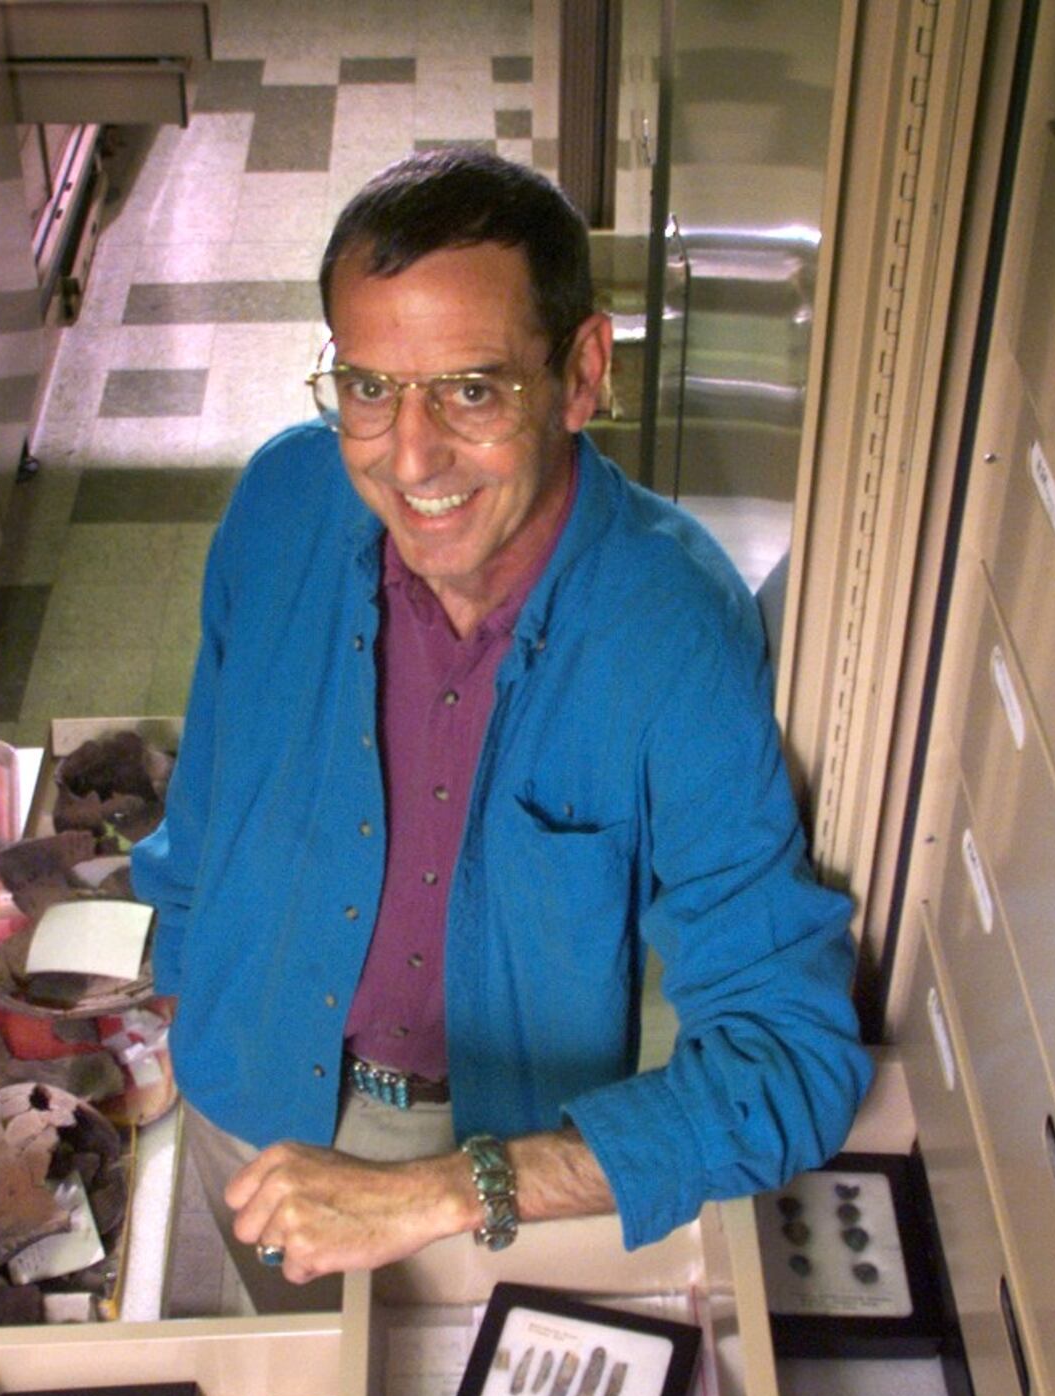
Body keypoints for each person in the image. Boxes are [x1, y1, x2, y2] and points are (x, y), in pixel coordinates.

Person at [132, 148, 869, 1305]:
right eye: (370, 388)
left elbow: (794, 1058)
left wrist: (449, 1189)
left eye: (471, 390)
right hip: (242, 1092)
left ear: (580, 375)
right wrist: (184, 996)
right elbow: (209, 795)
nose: (409, 457)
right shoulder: (279, 501)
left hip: (491, 1174)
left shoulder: (673, 628)